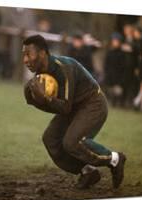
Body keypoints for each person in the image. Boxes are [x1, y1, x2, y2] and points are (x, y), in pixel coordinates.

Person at [22, 35, 126, 189]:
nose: (25, 60)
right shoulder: (40, 76)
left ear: (42, 53)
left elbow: (64, 107)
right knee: (50, 139)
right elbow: (58, 107)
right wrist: (33, 100)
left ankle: (115, 159)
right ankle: (87, 171)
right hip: (73, 108)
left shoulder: (64, 67)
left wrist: (46, 99)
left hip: (93, 104)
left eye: (28, 54)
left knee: (72, 142)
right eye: (23, 55)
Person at [104, 32, 125, 107]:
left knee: (118, 91)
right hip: (110, 75)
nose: (115, 43)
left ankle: (119, 103)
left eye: (117, 41)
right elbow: (106, 65)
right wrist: (107, 73)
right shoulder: (109, 52)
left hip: (118, 76)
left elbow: (123, 66)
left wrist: (121, 78)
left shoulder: (122, 53)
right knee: (110, 90)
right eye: (114, 41)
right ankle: (111, 102)